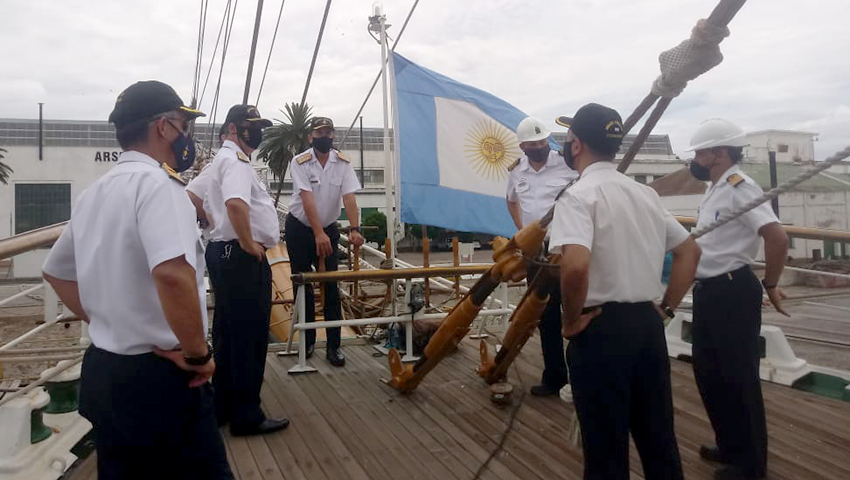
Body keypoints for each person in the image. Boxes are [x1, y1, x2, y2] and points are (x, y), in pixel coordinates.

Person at [42, 80, 234, 479]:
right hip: (160, 378)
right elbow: (173, 274)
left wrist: (110, 319)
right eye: (183, 124)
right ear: (163, 127)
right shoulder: (161, 188)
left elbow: (57, 272)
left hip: (105, 370)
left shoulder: (95, 193)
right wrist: (198, 355)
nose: (187, 136)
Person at [549, 103, 701, 480]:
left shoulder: (577, 196)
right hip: (647, 327)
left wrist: (569, 320)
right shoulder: (644, 195)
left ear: (577, 144)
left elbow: (576, 265)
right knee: (658, 441)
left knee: (605, 449)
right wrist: (666, 309)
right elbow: (689, 251)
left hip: (599, 329)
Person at [686, 118, 789, 480]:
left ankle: (750, 464)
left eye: (699, 152)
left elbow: (777, 238)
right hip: (710, 291)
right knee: (709, 374)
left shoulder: (739, 187)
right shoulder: (715, 188)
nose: (694, 159)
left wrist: (771, 283)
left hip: (732, 290)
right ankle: (730, 445)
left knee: (739, 378)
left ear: (718, 153)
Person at [204, 104, 289, 436]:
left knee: (227, 333)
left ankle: (222, 407)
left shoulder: (219, 161)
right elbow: (236, 204)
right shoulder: (236, 162)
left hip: (221, 251)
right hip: (241, 256)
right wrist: (249, 243)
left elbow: (198, 198)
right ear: (233, 129)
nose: (258, 132)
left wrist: (223, 231)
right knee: (250, 337)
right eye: (251, 126)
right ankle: (246, 415)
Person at [505, 116, 578, 397]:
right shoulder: (517, 171)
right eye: (532, 144)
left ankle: (580, 375)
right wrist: (522, 231)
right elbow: (511, 199)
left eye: (542, 142)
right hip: (536, 250)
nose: (539, 147)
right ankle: (555, 377)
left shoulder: (567, 165)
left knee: (577, 307)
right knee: (544, 313)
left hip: (568, 246)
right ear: (522, 146)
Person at [285, 116, 365, 366]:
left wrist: (354, 229)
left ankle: (334, 347)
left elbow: (349, 197)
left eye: (329, 132)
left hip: (328, 228)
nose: (325, 137)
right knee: (304, 285)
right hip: (300, 228)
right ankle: (307, 343)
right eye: (320, 132)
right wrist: (317, 233)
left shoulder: (342, 163)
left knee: (331, 286)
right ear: (311, 136)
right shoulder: (300, 162)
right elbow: (307, 199)